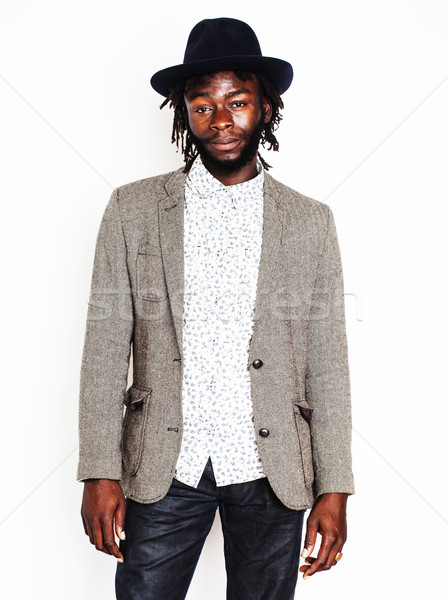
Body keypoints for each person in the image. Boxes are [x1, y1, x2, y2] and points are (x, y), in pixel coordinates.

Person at [77, 17, 355, 600]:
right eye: (202, 106)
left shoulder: (310, 223)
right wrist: (100, 471)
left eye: (237, 102)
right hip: (163, 465)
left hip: (271, 468)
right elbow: (105, 352)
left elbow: (328, 365)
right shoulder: (132, 211)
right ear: (184, 114)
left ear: (266, 106)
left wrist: (336, 487)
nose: (221, 121)